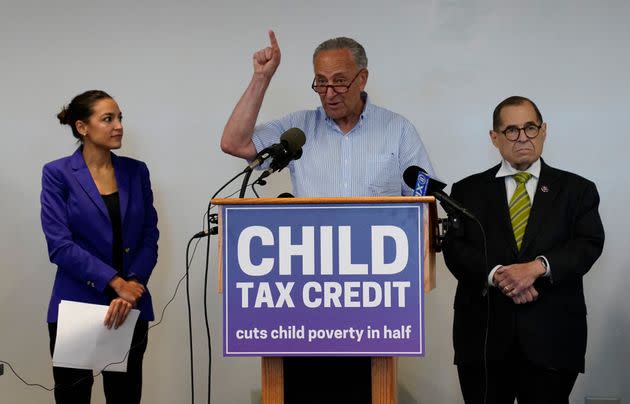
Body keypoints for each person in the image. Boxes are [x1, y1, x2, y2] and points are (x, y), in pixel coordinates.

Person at [442, 95, 605, 404]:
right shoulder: (466, 191)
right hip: (484, 339)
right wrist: (500, 276)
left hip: (553, 338)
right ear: (494, 137)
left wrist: (536, 268)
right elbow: (454, 249)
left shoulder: (578, 190)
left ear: (543, 131)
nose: (522, 138)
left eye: (530, 128)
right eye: (511, 130)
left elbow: (588, 243)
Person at [40, 90, 159, 404]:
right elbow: (60, 245)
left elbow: (149, 236)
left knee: (125, 398)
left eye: (119, 117)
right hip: (77, 306)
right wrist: (116, 283)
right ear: (82, 127)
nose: (118, 125)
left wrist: (132, 284)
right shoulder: (58, 174)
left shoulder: (137, 171)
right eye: (108, 118)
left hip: (129, 306)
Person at [220, 30, 434, 197]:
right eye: (322, 82)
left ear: (362, 79)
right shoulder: (296, 131)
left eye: (340, 82)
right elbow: (234, 144)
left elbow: (425, 199)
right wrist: (261, 77)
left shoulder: (398, 129)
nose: (329, 94)